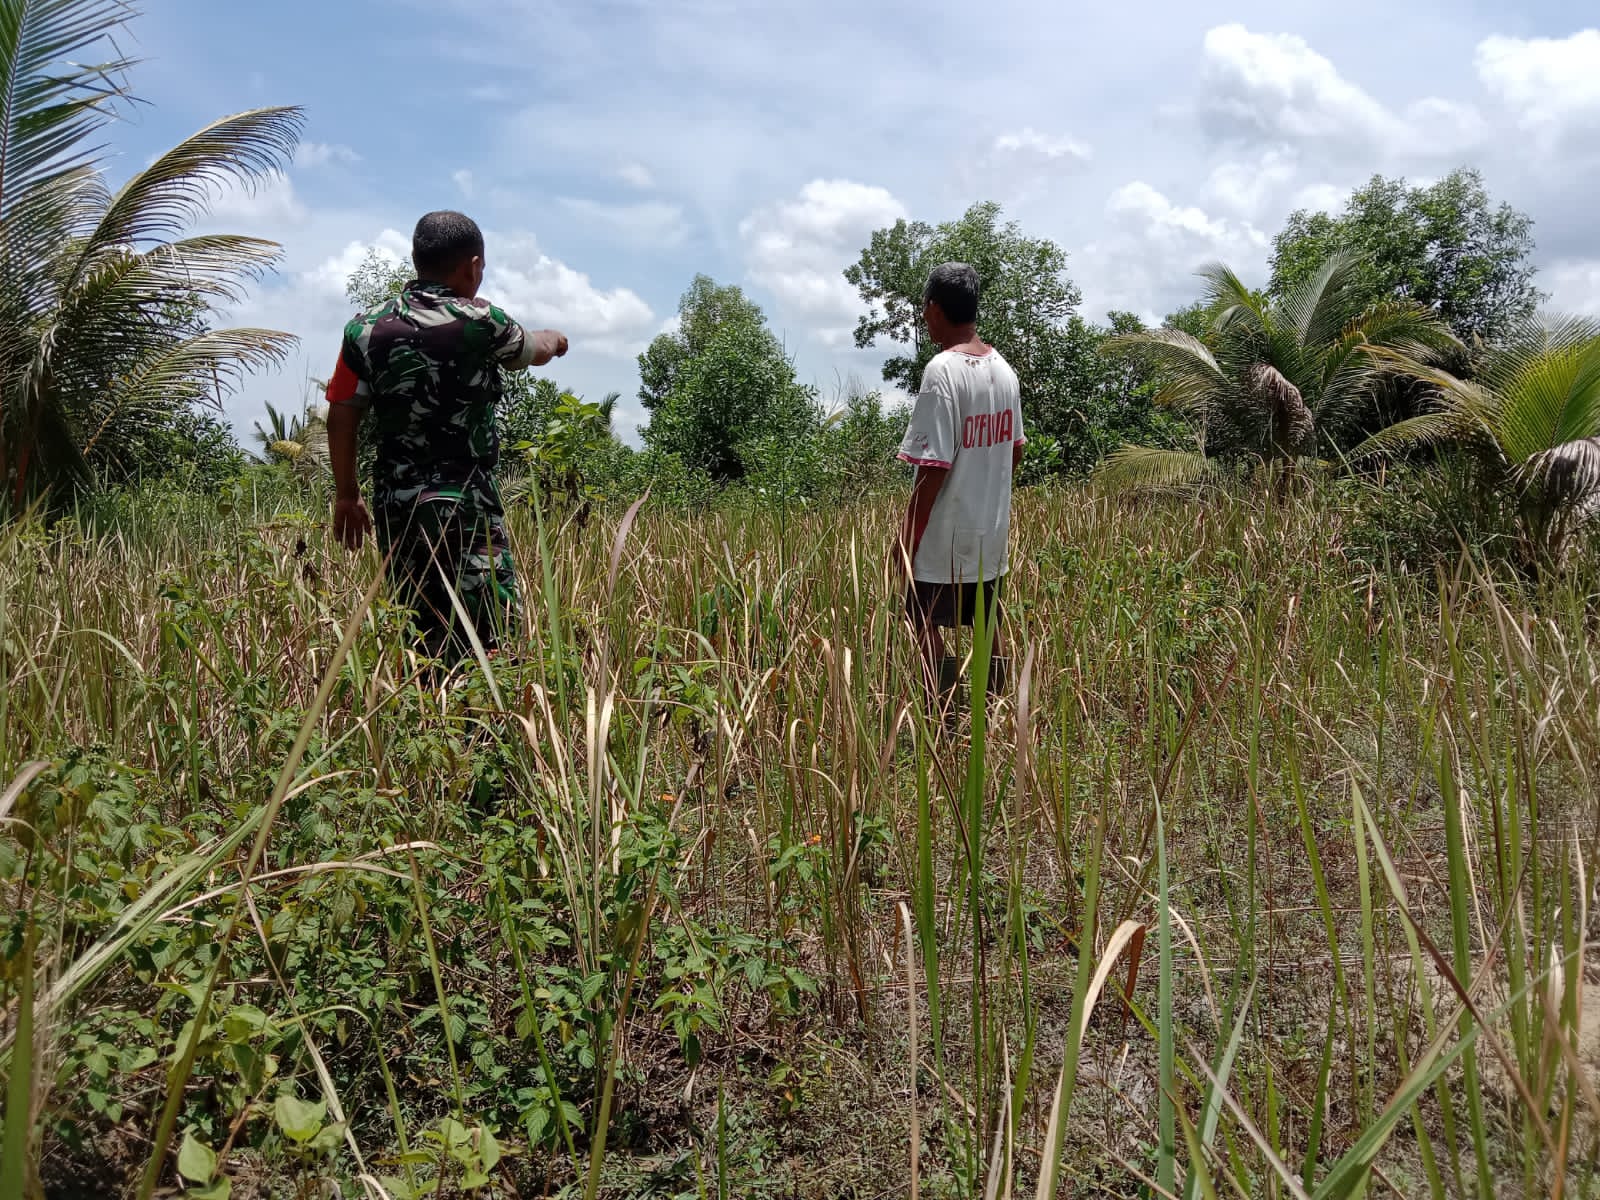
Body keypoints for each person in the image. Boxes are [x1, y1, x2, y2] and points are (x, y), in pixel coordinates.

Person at [324, 210, 568, 663]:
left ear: (418, 260)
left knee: (418, 630)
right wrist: (555, 339)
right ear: (472, 265)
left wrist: (346, 494)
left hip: (398, 505)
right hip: (467, 503)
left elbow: (341, 411)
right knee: (489, 633)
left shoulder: (363, 330)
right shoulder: (481, 320)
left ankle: (427, 717)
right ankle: (485, 724)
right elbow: (533, 350)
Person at [894, 262, 1025, 714]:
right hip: (989, 534)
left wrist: (906, 539)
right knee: (988, 622)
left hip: (943, 538)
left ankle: (944, 716)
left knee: (922, 621)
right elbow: (1015, 450)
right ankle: (993, 714)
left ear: (933, 309)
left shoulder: (942, 372)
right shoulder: (1003, 371)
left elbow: (932, 468)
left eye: (924, 310)